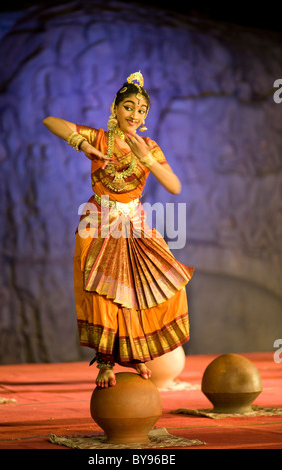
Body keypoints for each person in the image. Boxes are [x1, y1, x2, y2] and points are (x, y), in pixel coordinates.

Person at [43, 71, 194, 388]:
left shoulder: (149, 146)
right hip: (98, 222)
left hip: (135, 225)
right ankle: (106, 363)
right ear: (115, 108)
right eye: (129, 106)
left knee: (148, 290)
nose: (135, 114)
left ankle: (137, 354)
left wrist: (147, 159)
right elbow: (50, 121)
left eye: (141, 110)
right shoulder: (100, 138)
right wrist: (81, 143)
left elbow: (175, 186)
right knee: (104, 295)